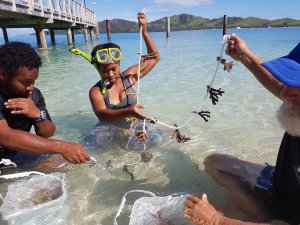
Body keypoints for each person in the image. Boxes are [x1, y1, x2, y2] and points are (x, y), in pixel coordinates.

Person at [183, 35, 300, 225]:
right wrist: (244, 56)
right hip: (283, 183)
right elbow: (279, 87)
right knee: (215, 164)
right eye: (291, 81)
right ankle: (260, 215)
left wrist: (216, 220)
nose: (285, 93)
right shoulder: (296, 100)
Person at [0, 41, 90, 165]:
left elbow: (48, 133)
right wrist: (62, 146)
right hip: (7, 151)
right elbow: (5, 137)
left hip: (16, 153)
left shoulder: (33, 95)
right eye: (26, 82)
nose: (31, 87)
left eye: (34, 81)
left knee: (69, 167)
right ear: (2, 75)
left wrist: (37, 115)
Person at [89, 11, 160, 122]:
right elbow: (102, 116)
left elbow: (154, 58)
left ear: (119, 63)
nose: (110, 74)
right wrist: (129, 112)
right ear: (98, 68)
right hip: (108, 131)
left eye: (114, 69)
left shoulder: (130, 77)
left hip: (134, 126)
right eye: (105, 70)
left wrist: (144, 31)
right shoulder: (96, 91)